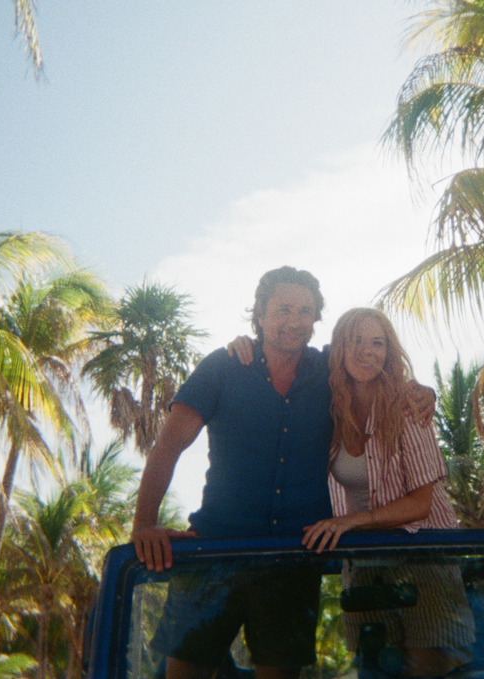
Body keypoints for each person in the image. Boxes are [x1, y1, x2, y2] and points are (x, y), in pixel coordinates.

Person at [133, 268, 434, 679]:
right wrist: (144, 524)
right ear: (259, 314)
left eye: (305, 311)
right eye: (283, 309)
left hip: (294, 560)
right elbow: (168, 445)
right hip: (215, 552)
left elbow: (377, 368)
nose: (293, 321)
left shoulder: (331, 371)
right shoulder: (223, 367)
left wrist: (424, 392)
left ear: (316, 320)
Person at [301, 308, 475, 677]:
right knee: (375, 670)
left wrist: (350, 522)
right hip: (365, 562)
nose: (368, 351)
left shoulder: (408, 404)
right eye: (357, 341)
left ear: (389, 350)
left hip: (425, 557)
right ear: (339, 350)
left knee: (426, 670)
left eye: (378, 342)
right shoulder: (328, 409)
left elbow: (421, 504)